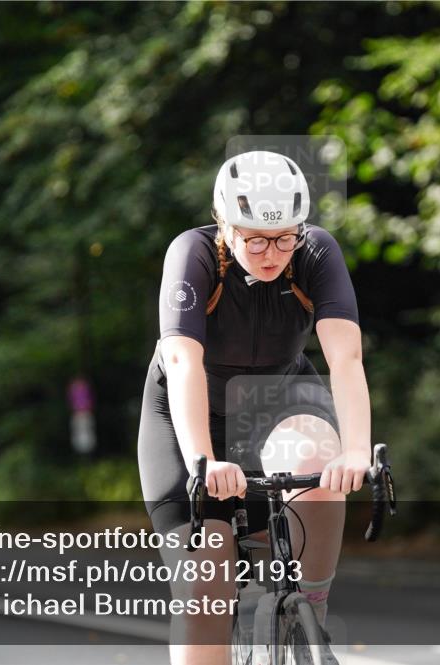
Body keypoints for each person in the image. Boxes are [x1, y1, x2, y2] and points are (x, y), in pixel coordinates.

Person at [137, 150, 372, 665]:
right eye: (256, 239)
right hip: (189, 417)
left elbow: (346, 357)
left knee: (316, 463)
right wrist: (203, 460)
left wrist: (355, 451)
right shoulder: (193, 254)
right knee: (207, 586)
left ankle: (309, 613)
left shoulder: (314, 252)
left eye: (285, 236)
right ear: (225, 225)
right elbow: (181, 360)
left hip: (281, 401)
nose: (272, 253)